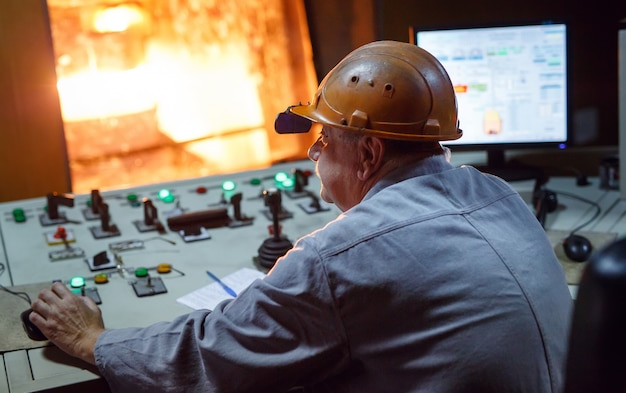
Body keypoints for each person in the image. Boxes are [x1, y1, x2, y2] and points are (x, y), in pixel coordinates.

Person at [30, 40, 573, 392]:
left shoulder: (335, 259)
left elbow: (208, 354)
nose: (313, 155)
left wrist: (92, 340)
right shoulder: (500, 194)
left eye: (323, 140)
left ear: (367, 155)